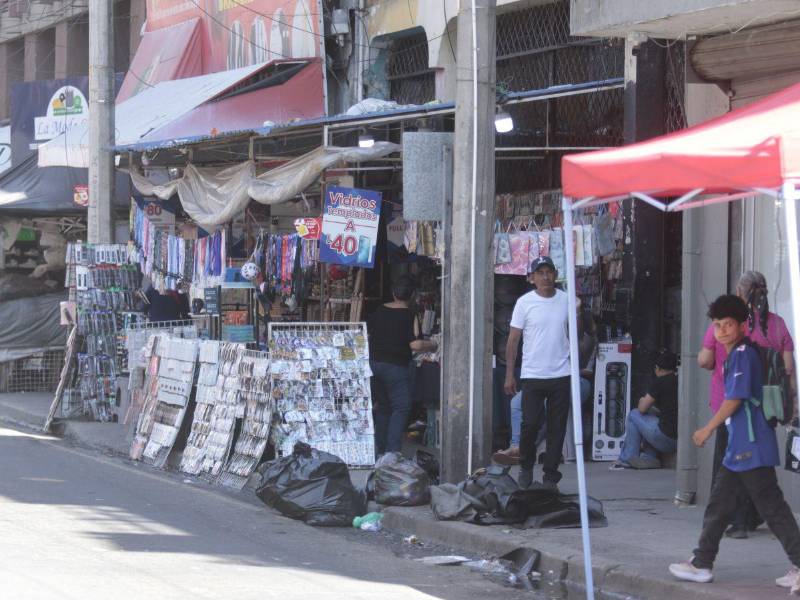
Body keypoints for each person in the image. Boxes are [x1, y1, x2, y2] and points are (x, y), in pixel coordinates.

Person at [669, 295, 800, 591]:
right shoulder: (740, 353)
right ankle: (702, 562)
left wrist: (707, 429)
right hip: (744, 445)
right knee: (721, 504)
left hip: (749, 446)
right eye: (717, 325)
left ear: (742, 325)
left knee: (771, 507)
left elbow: (736, 398)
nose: (722, 330)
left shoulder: (742, 354)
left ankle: (704, 562)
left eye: (728, 324)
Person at [698, 271, 795, 538]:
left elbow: (705, 361)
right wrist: (792, 404)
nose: (722, 329)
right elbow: (788, 369)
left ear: (740, 295)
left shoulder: (730, 327)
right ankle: (743, 522)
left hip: (730, 407)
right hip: (765, 408)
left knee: (733, 467)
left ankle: (737, 523)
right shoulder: (777, 325)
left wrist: (706, 428)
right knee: (753, 472)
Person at [504, 256, 571, 491]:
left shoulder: (567, 300)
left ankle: (550, 476)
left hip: (561, 373)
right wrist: (509, 374)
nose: (545, 277)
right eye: (540, 272)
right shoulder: (525, 303)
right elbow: (513, 340)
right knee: (529, 424)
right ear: (532, 278)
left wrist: (581, 314)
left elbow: (580, 331)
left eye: (549, 272)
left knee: (557, 428)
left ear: (555, 275)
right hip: (533, 374)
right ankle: (525, 466)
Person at [494, 310, 595, 466]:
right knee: (516, 403)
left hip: (578, 382)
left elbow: (577, 364)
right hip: (548, 380)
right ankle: (516, 445)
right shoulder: (550, 337)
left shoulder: (584, 340)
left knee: (548, 405)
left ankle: (527, 448)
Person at [367, 275, 437, 456]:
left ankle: (381, 451)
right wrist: (433, 344)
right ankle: (392, 452)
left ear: (393, 293)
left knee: (383, 407)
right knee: (401, 407)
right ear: (413, 295)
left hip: (374, 364)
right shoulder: (410, 314)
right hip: (395, 367)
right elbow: (415, 345)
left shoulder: (379, 310)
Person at [611, 348, 678, 470]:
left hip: (665, 438)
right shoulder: (679, 380)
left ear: (658, 368)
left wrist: (642, 399)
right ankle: (649, 458)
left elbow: (642, 408)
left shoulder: (660, 382)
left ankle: (627, 459)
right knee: (651, 414)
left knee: (634, 414)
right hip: (678, 440)